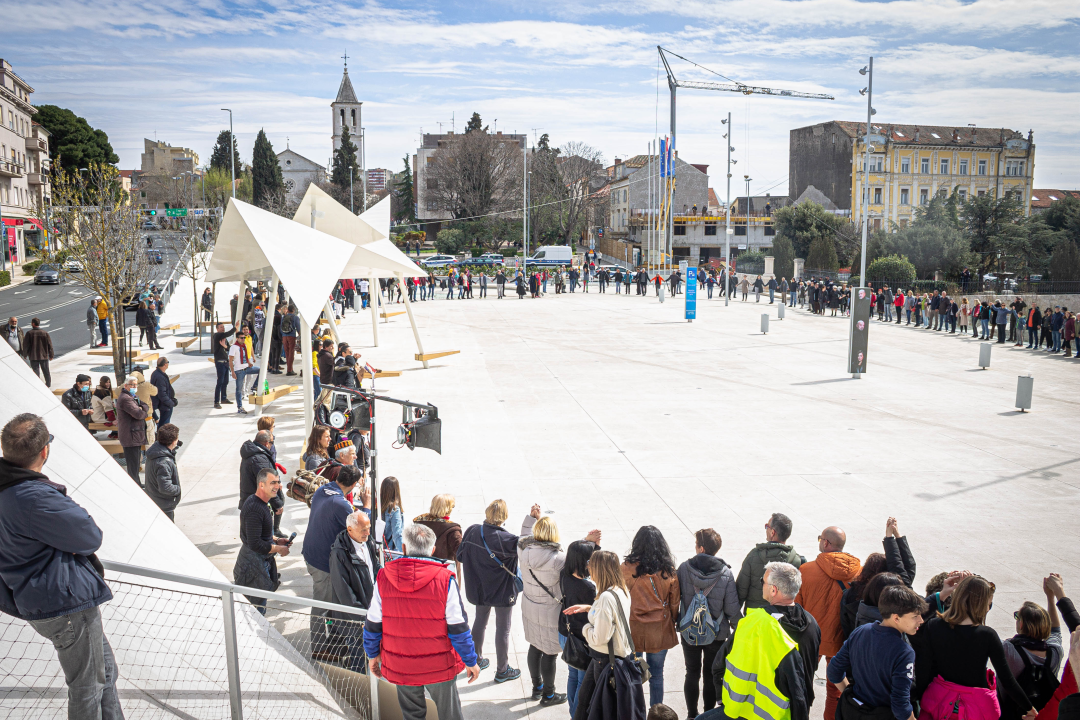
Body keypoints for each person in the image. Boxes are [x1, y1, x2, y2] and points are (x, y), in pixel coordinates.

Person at [0, 413, 123, 720]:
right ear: (44, 451)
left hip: (40, 598)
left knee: (106, 672)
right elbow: (89, 536)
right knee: (88, 686)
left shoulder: (9, 489)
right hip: (66, 605)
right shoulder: (32, 497)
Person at [364, 523, 481, 720]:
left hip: (402, 666)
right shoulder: (445, 579)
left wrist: (372, 654)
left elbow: (373, 623)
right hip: (439, 667)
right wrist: (471, 660)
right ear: (432, 550)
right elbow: (458, 628)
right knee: (450, 715)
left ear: (403, 548)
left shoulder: (383, 577)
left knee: (412, 716)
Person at [704, 562, 818, 720]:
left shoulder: (754, 623)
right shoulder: (812, 624)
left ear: (773, 590)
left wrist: (721, 698)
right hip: (795, 710)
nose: (761, 585)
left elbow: (719, 664)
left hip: (752, 711)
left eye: (762, 582)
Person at [914, 576, 1036, 720]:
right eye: (988, 604)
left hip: (939, 705)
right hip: (975, 709)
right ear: (981, 604)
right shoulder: (988, 635)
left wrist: (923, 700)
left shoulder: (933, 626)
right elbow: (1007, 680)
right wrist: (1029, 708)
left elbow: (923, 669)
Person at [520, 508, 603, 706]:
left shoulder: (522, 550)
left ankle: (536, 686)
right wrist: (590, 541)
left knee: (534, 646)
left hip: (529, 606)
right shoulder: (558, 560)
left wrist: (532, 518)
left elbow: (524, 534)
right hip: (550, 611)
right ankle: (548, 695)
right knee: (549, 653)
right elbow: (579, 560)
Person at [827, 585, 928, 720]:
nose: (921, 620)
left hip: (851, 711)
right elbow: (900, 704)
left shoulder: (861, 631)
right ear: (896, 618)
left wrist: (849, 694)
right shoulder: (904, 652)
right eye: (915, 616)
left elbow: (834, 670)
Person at [566, 549, 645, 720]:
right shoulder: (620, 589)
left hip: (605, 660)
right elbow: (614, 616)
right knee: (585, 700)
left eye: (591, 565)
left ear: (599, 569)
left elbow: (599, 638)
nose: (588, 569)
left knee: (596, 707)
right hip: (609, 658)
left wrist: (585, 628)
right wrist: (590, 608)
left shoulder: (605, 598)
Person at [796, 526, 862, 720]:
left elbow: (797, 609)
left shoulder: (805, 570)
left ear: (825, 543)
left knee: (801, 684)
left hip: (811, 639)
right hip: (841, 641)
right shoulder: (858, 572)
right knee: (836, 691)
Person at [678, 528, 743, 719]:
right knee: (710, 675)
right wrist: (739, 627)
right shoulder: (725, 573)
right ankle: (706, 714)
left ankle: (691, 714)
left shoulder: (683, 568)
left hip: (689, 631)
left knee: (691, 673)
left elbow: (676, 597)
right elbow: (732, 608)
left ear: (701, 548)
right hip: (716, 634)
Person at [458, 499, 523, 683]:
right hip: (502, 592)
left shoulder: (472, 531)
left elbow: (460, 556)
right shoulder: (509, 540)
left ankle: (476, 659)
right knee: (503, 629)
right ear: (504, 517)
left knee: (480, 622)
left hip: (480, 589)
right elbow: (528, 546)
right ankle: (502, 670)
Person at [623, 525, 681, 708]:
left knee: (633, 673)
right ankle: (656, 713)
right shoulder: (668, 570)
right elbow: (674, 602)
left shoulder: (625, 568)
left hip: (633, 629)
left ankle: (634, 710)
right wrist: (672, 620)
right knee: (657, 674)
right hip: (660, 628)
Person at [999, 576, 1066, 720]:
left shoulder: (1009, 650)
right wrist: (1050, 597)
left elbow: (980, 632)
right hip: (1044, 715)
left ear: (1021, 624)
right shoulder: (1054, 652)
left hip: (1011, 714)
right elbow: (1055, 631)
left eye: (1018, 616)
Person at [329, 509, 382, 672]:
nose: (367, 533)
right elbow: (344, 592)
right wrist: (362, 618)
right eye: (363, 530)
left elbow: (375, 568)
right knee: (358, 654)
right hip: (354, 619)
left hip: (370, 609)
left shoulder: (368, 541)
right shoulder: (339, 554)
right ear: (350, 530)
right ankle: (360, 688)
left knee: (371, 652)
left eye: (369, 528)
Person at [234, 468, 291, 614]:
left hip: (256, 567)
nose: (277, 486)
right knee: (255, 614)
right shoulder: (255, 508)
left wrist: (277, 540)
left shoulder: (261, 503)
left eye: (278, 482)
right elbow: (255, 543)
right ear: (261, 485)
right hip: (252, 571)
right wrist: (279, 549)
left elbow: (260, 534)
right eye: (272, 483)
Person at [561, 539, 600, 716]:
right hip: (582, 640)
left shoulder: (563, 575)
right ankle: (576, 715)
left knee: (573, 675)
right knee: (583, 683)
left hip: (565, 633)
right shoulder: (588, 587)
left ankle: (572, 712)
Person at [737, 513, 805, 611]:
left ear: (772, 532)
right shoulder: (796, 560)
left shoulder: (754, 556)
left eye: (767, 526)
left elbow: (740, 590)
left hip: (754, 617)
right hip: (782, 619)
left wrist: (736, 619)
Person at [239, 430, 286, 537]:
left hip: (250, 501)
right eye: (272, 443)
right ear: (266, 443)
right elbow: (268, 485)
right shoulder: (259, 459)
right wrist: (278, 504)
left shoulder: (253, 454)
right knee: (260, 538)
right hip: (257, 504)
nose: (272, 446)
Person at [413, 494, 463, 575]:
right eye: (452, 506)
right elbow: (461, 553)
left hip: (422, 568)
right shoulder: (453, 530)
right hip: (444, 572)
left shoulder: (419, 522)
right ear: (447, 509)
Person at [115, 374, 149, 485]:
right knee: (133, 464)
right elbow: (138, 414)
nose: (135, 387)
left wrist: (142, 408)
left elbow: (145, 405)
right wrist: (143, 411)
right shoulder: (126, 399)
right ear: (126, 385)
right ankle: (135, 485)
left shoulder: (133, 397)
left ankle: (137, 484)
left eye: (136, 385)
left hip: (135, 435)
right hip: (130, 436)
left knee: (135, 464)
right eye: (132, 385)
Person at [144, 423, 182, 521]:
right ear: (173, 442)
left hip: (155, 499)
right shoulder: (164, 462)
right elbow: (165, 487)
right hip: (164, 504)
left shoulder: (155, 451)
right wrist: (177, 489)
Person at [229, 327, 260, 414]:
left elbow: (245, 356)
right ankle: (240, 407)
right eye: (241, 338)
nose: (243, 339)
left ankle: (254, 386)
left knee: (261, 370)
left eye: (244, 338)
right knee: (239, 389)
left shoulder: (244, 345)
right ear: (237, 338)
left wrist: (249, 362)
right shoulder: (234, 347)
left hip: (247, 367)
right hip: (239, 370)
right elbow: (230, 360)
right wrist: (232, 372)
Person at [23, 318, 54, 386]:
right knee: (46, 371)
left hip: (33, 356)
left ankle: (37, 385)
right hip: (44, 356)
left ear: (33, 324)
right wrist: (51, 355)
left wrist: (25, 354)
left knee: (36, 371)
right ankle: (48, 384)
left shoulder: (29, 333)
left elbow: (26, 345)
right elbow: (50, 345)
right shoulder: (44, 333)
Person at [379, 476, 404, 553]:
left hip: (377, 546)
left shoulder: (377, 505)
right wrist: (403, 552)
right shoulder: (394, 509)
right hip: (389, 550)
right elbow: (397, 534)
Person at [149, 357, 176, 426]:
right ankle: (161, 436)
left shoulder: (157, 373)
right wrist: (170, 403)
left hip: (165, 404)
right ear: (165, 364)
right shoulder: (160, 377)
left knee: (163, 423)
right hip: (165, 405)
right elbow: (162, 394)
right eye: (167, 362)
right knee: (164, 425)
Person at [280, 305, 299, 375]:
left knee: (287, 352)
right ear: (293, 310)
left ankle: (289, 368)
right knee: (291, 353)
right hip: (292, 336)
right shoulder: (295, 317)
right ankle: (289, 370)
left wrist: (282, 335)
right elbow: (298, 327)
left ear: (288, 310)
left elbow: (280, 327)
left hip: (284, 336)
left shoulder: (283, 317)